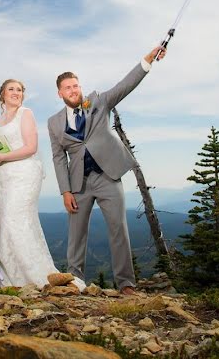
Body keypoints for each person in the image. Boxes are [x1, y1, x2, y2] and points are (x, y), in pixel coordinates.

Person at [48, 44, 166, 295]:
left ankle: (125, 284)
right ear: (60, 93)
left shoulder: (99, 101)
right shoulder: (54, 123)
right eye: (67, 87)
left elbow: (126, 85)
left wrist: (148, 60)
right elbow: (58, 158)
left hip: (108, 177)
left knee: (118, 229)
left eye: (75, 85)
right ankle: (76, 281)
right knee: (76, 234)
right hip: (78, 183)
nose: (73, 90)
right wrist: (65, 191)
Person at [0, 79, 85, 290]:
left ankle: (36, 276)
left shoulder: (26, 113)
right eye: (11, 89)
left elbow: (31, 147)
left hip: (24, 173)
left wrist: (1, 158)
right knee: (5, 223)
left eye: (19, 90)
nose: (16, 93)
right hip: (6, 178)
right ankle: (11, 278)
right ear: (2, 94)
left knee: (18, 221)